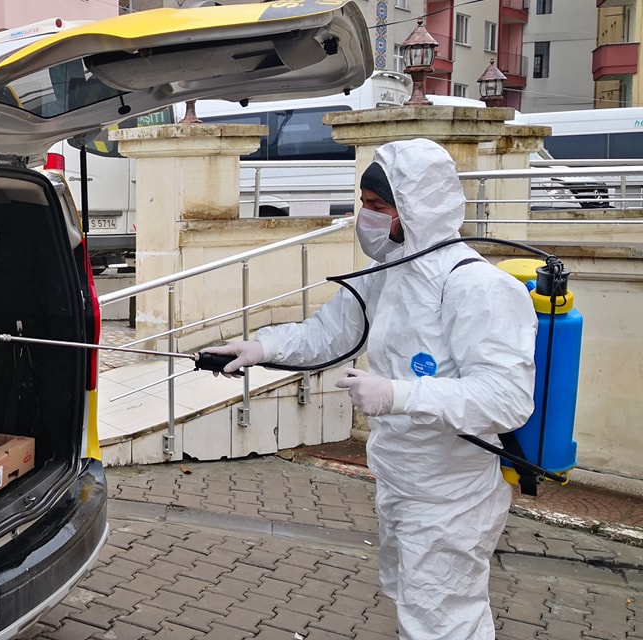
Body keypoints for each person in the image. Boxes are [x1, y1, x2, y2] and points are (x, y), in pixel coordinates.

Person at [204, 138, 537, 639]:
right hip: (400, 479)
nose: (367, 217)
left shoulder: (478, 287)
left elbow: (506, 397)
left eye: (379, 206)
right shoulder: (390, 273)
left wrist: (399, 395)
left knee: (444, 619)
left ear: (417, 208)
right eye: (364, 204)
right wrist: (261, 347)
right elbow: (327, 334)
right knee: (415, 605)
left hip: (452, 494)